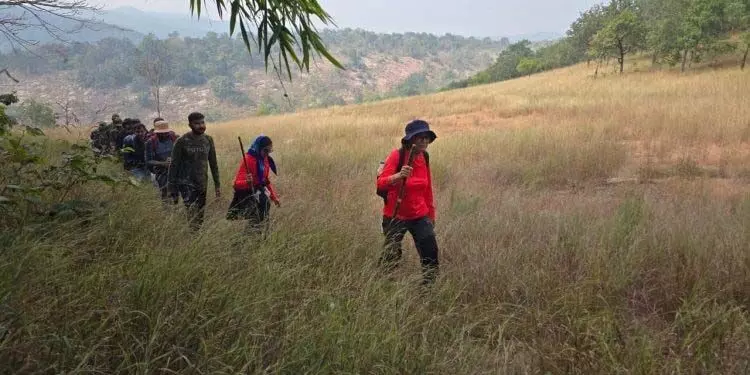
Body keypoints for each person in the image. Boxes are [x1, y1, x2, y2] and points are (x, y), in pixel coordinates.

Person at [376, 119, 439, 285]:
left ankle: (428, 289)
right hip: (396, 215)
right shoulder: (397, 156)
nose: (424, 141)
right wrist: (398, 176)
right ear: (410, 139)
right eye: (420, 137)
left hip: (420, 215)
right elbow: (381, 183)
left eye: (427, 137)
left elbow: (427, 189)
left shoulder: (424, 157)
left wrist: (431, 215)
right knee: (392, 255)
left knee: (430, 253)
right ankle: (383, 285)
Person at [168, 112, 221, 230]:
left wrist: (217, 185)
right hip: (186, 183)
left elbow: (213, 163)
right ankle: (193, 234)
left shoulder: (208, 140)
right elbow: (174, 165)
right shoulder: (182, 141)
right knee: (191, 211)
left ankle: (197, 234)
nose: (201, 125)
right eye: (197, 123)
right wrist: (172, 187)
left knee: (201, 212)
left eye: (202, 122)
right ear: (190, 125)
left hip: (202, 182)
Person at [227, 135, 280, 236]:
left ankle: (261, 237)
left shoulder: (265, 159)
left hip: (260, 192)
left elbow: (265, 180)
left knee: (264, 216)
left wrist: (274, 197)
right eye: (265, 150)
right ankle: (246, 239)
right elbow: (236, 184)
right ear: (258, 148)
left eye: (270, 151)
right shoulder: (248, 160)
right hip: (247, 194)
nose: (267, 154)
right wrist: (247, 182)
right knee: (255, 218)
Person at [145, 119, 178, 204]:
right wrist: (163, 164)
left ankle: (176, 209)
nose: (163, 135)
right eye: (161, 133)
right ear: (156, 132)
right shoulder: (150, 142)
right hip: (161, 172)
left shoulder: (174, 138)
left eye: (165, 132)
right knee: (165, 193)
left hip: (175, 170)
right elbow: (149, 161)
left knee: (176, 193)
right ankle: (167, 212)